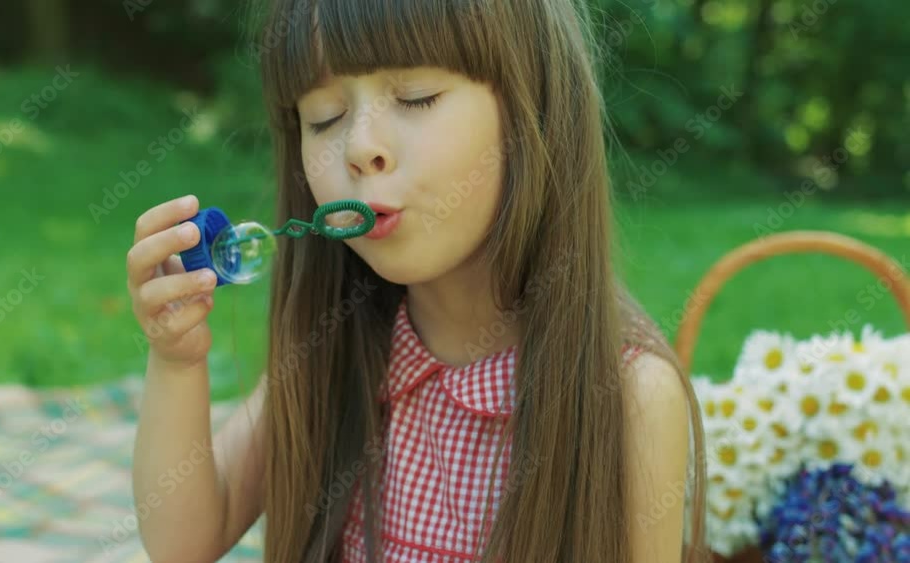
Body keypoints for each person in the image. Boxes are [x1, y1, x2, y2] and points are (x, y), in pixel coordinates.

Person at [128, 0, 709, 561]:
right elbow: (185, 542)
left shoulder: (627, 397)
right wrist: (177, 361)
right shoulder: (330, 345)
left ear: (534, 106)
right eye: (324, 117)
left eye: (416, 97)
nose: (360, 148)